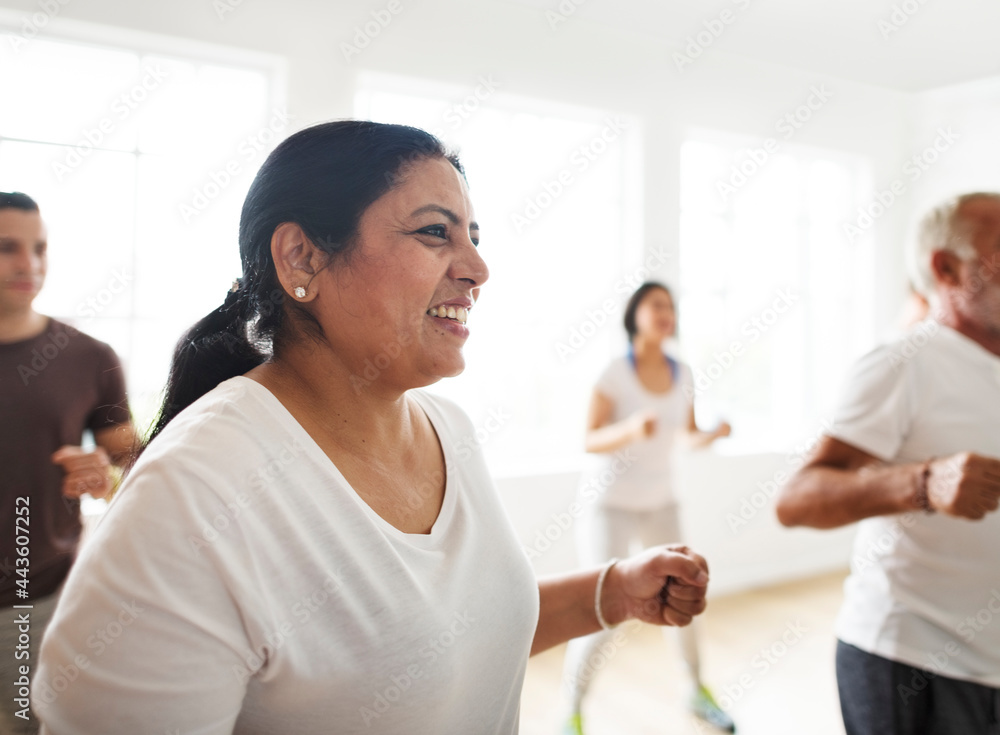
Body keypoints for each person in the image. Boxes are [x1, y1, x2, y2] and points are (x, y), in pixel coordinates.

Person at [32, 121, 711, 734]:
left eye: (474, 237)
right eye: (434, 232)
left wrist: (612, 590)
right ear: (301, 258)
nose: (477, 268)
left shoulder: (450, 429)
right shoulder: (195, 493)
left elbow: (438, 636)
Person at [776, 192, 1000, 735]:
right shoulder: (903, 363)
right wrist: (922, 483)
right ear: (947, 268)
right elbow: (796, 499)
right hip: (916, 662)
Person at [561, 281, 734, 734]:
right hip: (610, 507)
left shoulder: (684, 373)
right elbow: (589, 439)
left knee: (687, 596)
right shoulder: (615, 372)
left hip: (661, 503)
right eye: (656, 305)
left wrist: (712, 435)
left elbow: (686, 434)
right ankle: (572, 712)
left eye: (670, 307)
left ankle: (697, 691)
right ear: (635, 313)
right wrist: (632, 429)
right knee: (598, 614)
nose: (666, 313)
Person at [0, 192, 135, 734]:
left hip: (37, 598)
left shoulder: (88, 358)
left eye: (39, 249)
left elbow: (136, 463)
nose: (28, 265)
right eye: (7, 247)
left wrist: (103, 476)